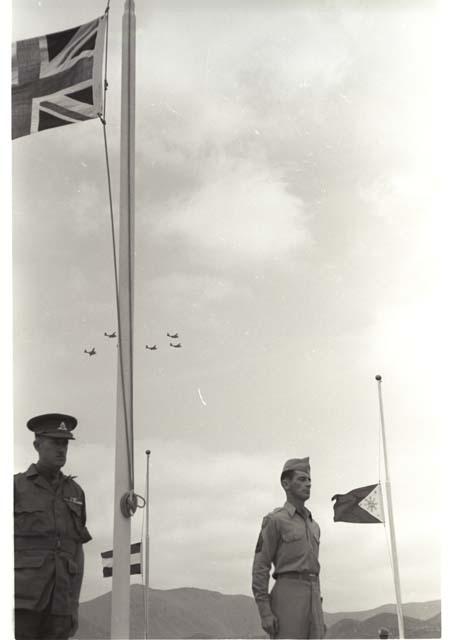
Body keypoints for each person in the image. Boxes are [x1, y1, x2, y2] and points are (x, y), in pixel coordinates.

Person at [14, 413, 92, 640]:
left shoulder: (75, 493)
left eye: (65, 443)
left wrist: (74, 604)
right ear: (37, 445)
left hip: (60, 604)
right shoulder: (15, 488)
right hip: (21, 602)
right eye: (55, 443)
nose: (61, 450)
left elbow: (77, 550)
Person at [252, 457, 325, 639]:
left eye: (309, 480)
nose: (308, 484)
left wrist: (318, 610)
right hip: (287, 597)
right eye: (301, 479)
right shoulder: (275, 520)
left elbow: (314, 569)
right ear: (286, 484)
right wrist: (265, 612)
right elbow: (260, 567)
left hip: (314, 598)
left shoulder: (314, 525)